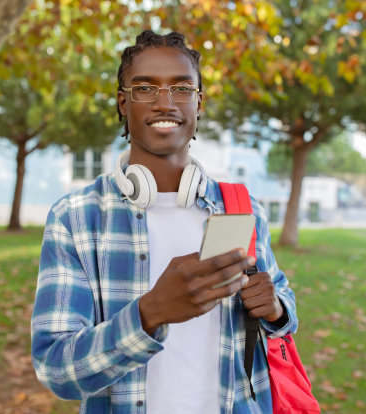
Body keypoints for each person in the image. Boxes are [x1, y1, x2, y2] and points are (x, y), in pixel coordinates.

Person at [31, 30, 298, 414]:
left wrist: (275, 308)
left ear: (198, 104)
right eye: (145, 88)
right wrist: (151, 312)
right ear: (123, 103)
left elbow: (284, 309)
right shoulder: (75, 218)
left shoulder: (242, 207)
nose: (164, 103)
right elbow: (56, 370)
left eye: (181, 88)